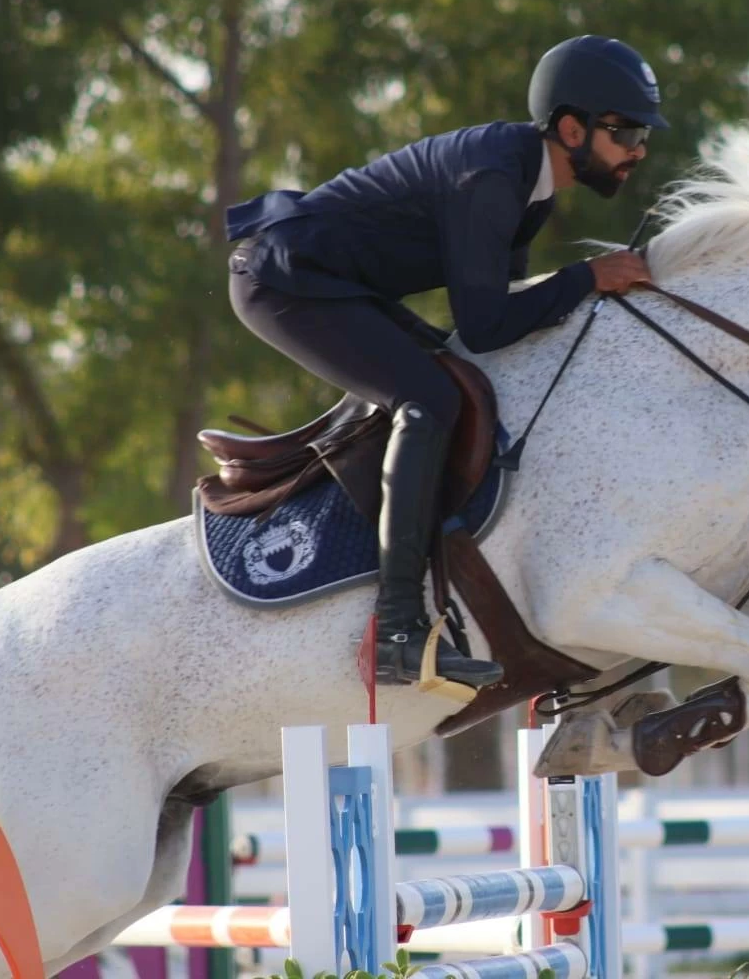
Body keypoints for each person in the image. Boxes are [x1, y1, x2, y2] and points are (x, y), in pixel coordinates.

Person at [224, 35, 665, 690]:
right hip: (283, 281)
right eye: (625, 132)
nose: (638, 150)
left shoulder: (532, 183)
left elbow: (501, 314)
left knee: (454, 383)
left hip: (336, 283)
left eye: (641, 135)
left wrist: (591, 297)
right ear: (571, 128)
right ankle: (398, 628)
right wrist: (586, 277)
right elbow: (487, 327)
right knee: (430, 398)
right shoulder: (494, 178)